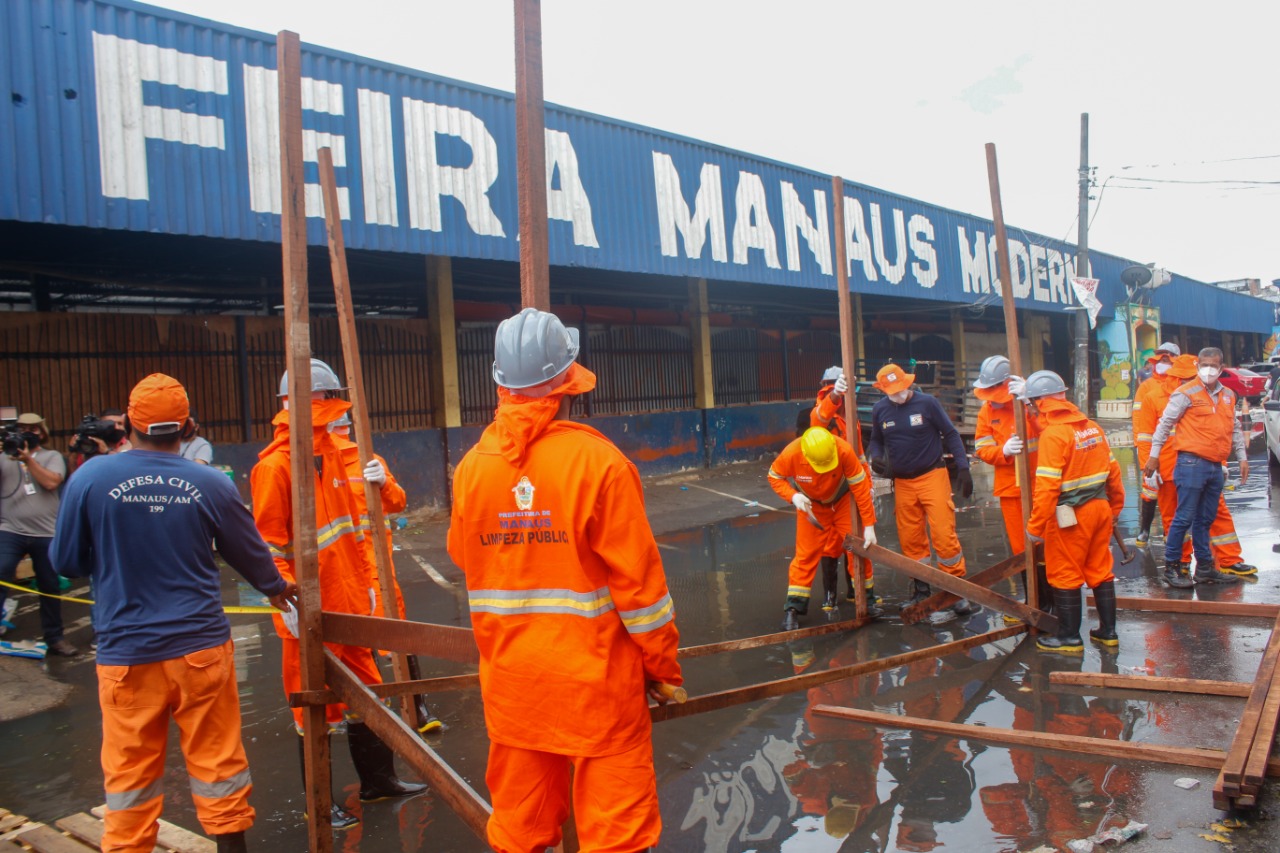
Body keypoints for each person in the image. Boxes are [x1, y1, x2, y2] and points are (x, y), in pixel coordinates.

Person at [447, 308, 682, 852]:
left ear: (501, 382)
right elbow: (642, 595)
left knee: (520, 833)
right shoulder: (599, 464)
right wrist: (663, 669)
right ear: (567, 382)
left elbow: (465, 554)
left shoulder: (473, 468)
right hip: (597, 691)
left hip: (514, 692)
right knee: (616, 837)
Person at [50, 374, 298, 853]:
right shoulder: (209, 482)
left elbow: (65, 562)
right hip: (200, 650)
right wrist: (276, 588)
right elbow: (250, 555)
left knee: (129, 778)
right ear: (186, 426)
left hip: (127, 654)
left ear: (127, 424)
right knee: (218, 765)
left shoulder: (90, 478)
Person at [251, 359, 425, 831]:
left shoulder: (329, 459)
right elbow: (268, 546)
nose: (334, 422)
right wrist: (281, 599)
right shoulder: (275, 469)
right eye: (325, 410)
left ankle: (378, 781)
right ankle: (321, 805)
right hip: (307, 612)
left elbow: (353, 533)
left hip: (349, 604)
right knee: (314, 714)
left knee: (369, 698)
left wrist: (366, 585)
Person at [328, 412, 442, 734]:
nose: (344, 433)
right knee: (370, 642)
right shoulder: (324, 466)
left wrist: (385, 482)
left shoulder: (368, 462)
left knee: (389, 637)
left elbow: (398, 502)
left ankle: (413, 711)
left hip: (372, 569)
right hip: (350, 571)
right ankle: (394, 712)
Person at [1019, 370, 1125, 653]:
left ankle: (1068, 636)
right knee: (1100, 570)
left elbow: (1047, 489)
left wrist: (1035, 527)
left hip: (1071, 516)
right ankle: (1108, 632)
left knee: (1064, 572)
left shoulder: (1054, 436)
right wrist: (1115, 508)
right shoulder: (1091, 427)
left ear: (1039, 402)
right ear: (1062, 396)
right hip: (1101, 509)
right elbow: (1114, 473)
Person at [867, 363, 973, 622]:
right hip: (903, 482)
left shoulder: (927, 404)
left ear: (908, 383)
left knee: (943, 534)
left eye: (902, 388)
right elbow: (876, 440)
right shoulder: (880, 410)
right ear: (883, 389)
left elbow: (950, 433)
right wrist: (876, 457)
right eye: (892, 391)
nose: (899, 394)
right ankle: (921, 590)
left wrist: (963, 466)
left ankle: (956, 590)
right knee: (911, 538)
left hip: (932, 476)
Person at [1136, 353, 1255, 579]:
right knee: (1178, 518)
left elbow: (1222, 429)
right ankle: (1179, 563)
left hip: (1203, 464)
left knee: (1211, 515)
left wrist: (1224, 461)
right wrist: (1148, 467)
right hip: (1171, 467)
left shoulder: (1218, 395)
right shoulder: (1157, 396)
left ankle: (1223, 561)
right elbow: (1145, 435)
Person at [768, 427, 878, 630]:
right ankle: (793, 608)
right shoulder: (792, 453)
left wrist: (869, 525)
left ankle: (867, 599)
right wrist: (793, 496)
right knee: (805, 555)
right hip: (811, 505)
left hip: (843, 501)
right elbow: (774, 477)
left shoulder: (843, 450)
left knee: (859, 550)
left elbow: (860, 489)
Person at [972, 355, 1048, 618]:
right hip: (1010, 488)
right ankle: (1032, 601)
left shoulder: (1031, 402)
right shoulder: (987, 411)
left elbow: (1052, 430)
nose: (990, 397)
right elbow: (982, 449)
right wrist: (1002, 452)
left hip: (1042, 485)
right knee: (1020, 548)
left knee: (1048, 546)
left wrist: (1030, 400)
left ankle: (1053, 600)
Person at [0, 412, 76, 656]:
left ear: (42, 433)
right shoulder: (4, 457)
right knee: (1, 572)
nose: (27, 434)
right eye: (22, 430)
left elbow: (52, 482)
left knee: (49, 585)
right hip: (10, 528)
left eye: (32, 430)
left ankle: (55, 638)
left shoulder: (52, 456)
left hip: (45, 532)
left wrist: (28, 459)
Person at [809, 366, 875, 608]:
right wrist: (834, 396)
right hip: (829, 489)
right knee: (830, 544)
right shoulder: (823, 412)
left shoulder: (851, 416)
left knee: (853, 541)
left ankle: (857, 593)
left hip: (850, 487)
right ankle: (830, 596)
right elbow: (819, 418)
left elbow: (859, 455)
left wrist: (868, 484)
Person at [1132, 342, 1180, 546]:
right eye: (1160, 358)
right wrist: (1146, 462)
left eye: (1168, 358)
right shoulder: (1147, 388)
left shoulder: (1183, 384)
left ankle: (1180, 549)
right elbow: (1141, 429)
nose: (1163, 362)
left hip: (1180, 452)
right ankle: (1145, 530)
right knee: (1150, 489)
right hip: (1154, 453)